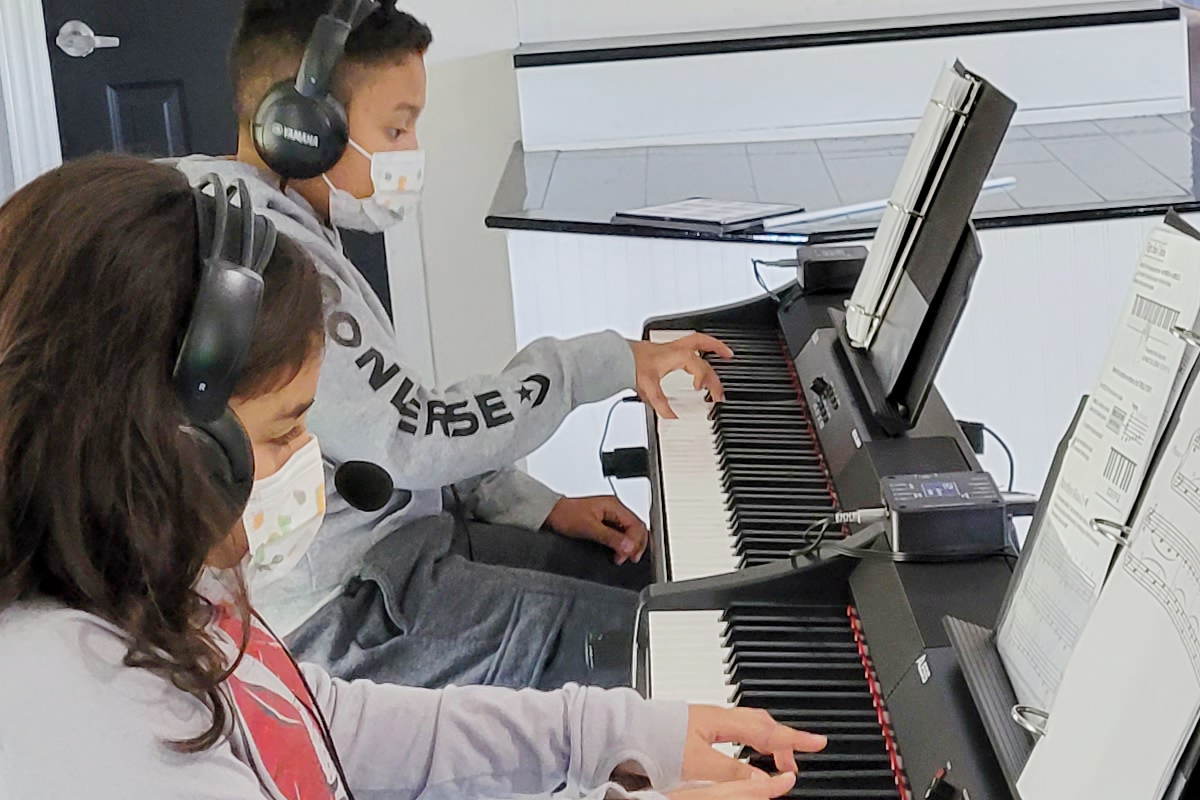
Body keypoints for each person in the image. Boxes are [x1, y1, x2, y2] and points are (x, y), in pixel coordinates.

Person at [0, 154, 824, 800]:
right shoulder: (82, 724)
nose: (310, 465)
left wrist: (613, 735)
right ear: (165, 445)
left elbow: (332, 730)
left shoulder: (165, 599)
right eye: (288, 429)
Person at [170, 0, 735, 690]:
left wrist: (530, 505)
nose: (409, 153)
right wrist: (607, 361)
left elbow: (384, 421)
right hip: (342, 609)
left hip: (401, 544)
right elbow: (411, 434)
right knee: (672, 647)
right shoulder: (268, 258)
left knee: (654, 584)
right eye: (397, 127)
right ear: (302, 128)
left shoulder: (247, 206)